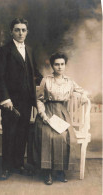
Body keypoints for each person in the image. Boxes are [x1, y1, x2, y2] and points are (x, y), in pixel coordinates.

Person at [0, 18, 42, 180]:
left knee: (22, 133)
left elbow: (35, 73)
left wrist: (50, 82)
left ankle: (19, 164)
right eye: (17, 30)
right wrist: (5, 99)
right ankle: (6, 167)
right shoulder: (4, 50)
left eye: (23, 30)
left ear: (27, 32)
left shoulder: (29, 50)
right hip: (10, 102)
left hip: (26, 101)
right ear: (11, 32)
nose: (21, 33)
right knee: (9, 133)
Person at [33, 52, 88, 185]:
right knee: (47, 135)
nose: (59, 67)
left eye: (62, 64)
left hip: (62, 114)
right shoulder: (46, 80)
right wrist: (43, 115)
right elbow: (39, 100)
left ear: (65, 65)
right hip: (47, 112)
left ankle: (60, 171)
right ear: (52, 66)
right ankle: (47, 172)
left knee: (63, 136)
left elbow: (82, 91)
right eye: (56, 64)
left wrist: (84, 96)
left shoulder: (69, 81)